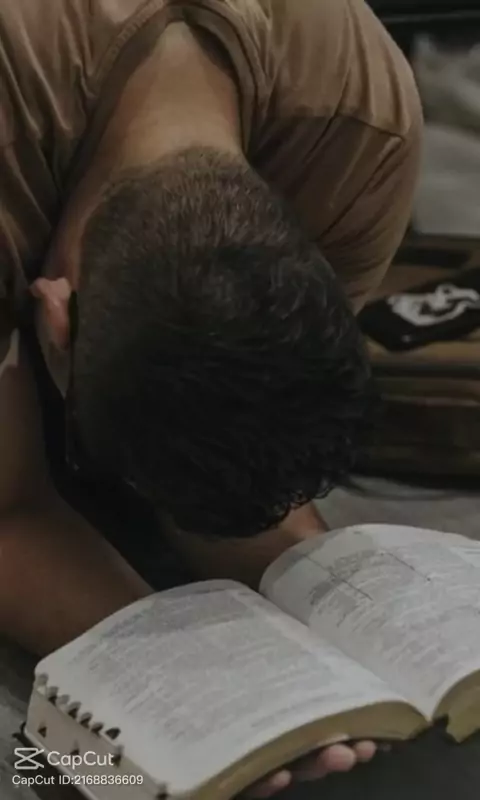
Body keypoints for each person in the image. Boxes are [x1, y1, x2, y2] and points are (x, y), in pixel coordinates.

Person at [0, 0, 422, 795]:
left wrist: (334, 652)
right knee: (36, 760)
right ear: (56, 322)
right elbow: (8, 508)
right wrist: (197, 694)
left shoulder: (362, 139)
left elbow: (248, 442)